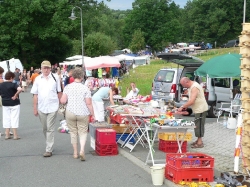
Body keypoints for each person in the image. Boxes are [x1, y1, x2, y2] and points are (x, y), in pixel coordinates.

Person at [60, 69, 95, 161]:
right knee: (83, 131)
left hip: (70, 112)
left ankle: (75, 152)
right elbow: (88, 103)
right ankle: (82, 150)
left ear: (73, 76)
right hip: (83, 112)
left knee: (73, 132)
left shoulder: (68, 87)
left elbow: (63, 101)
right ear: (82, 77)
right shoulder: (85, 88)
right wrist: (93, 114)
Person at [30, 60, 62, 157]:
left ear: (50, 68)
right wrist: (34, 108)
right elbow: (35, 94)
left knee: (50, 128)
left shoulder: (55, 77)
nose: (46, 70)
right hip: (42, 107)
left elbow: (59, 92)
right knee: (45, 128)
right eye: (44, 68)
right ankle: (49, 142)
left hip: (53, 106)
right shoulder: (38, 79)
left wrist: (60, 105)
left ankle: (49, 149)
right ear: (41, 68)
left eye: (48, 68)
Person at [177, 77, 208, 148]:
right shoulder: (191, 86)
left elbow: (192, 101)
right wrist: (186, 106)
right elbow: (191, 99)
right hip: (197, 109)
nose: (184, 87)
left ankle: (200, 142)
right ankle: (198, 140)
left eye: (183, 85)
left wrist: (182, 106)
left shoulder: (195, 87)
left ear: (187, 82)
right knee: (196, 124)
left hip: (201, 109)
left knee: (199, 125)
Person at [0, 71, 22, 140]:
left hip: (5, 103)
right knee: (14, 118)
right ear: (11, 77)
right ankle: (15, 135)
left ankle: (7, 134)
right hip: (14, 103)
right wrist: (16, 95)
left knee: (6, 118)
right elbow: (20, 89)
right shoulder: (13, 84)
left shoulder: (1, 85)